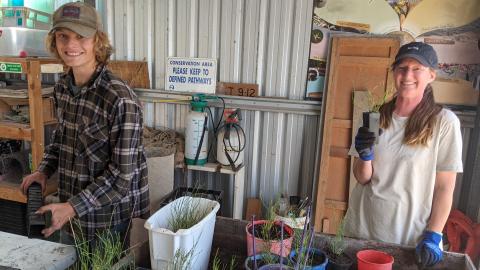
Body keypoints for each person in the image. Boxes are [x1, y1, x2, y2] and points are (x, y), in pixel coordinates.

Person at [20, 2, 149, 250]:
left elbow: (122, 177)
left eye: (81, 37)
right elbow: (61, 140)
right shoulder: (62, 89)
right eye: (63, 36)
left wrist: (71, 207)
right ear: (54, 41)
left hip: (112, 222)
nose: (71, 45)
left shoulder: (119, 98)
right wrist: (43, 171)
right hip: (72, 216)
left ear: (97, 41)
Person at [344, 42, 463, 267]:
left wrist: (434, 234)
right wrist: (365, 156)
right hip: (362, 231)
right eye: (402, 67)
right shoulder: (375, 117)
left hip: (406, 239)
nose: (408, 74)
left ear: (431, 75)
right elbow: (362, 178)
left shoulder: (444, 123)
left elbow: (444, 187)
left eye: (417, 68)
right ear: (394, 72)